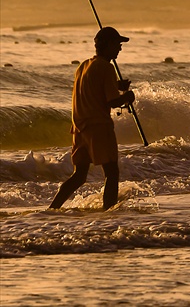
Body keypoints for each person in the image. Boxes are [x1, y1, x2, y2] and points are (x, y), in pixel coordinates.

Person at [49, 26, 135, 211]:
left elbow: (94, 89)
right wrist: (128, 97)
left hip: (79, 129)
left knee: (79, 176)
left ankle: (52, 209)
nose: (120, 48)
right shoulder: (106, 67)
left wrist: (116, 85)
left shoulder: (83, 66)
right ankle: (108, 214)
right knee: (112, 173)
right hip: (99, 127)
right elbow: (112, 102)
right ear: (107, 45)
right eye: (117, 44)